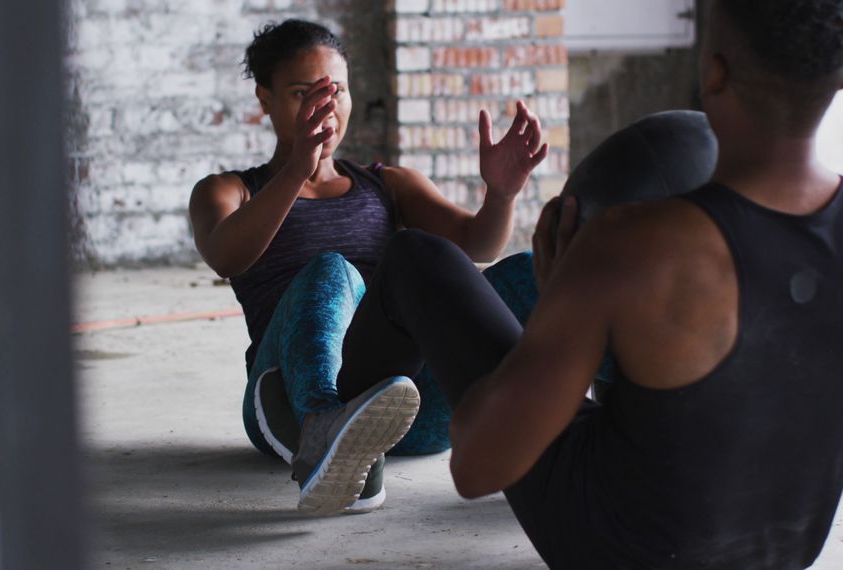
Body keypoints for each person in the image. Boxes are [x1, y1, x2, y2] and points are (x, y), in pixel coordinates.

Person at [307, 0, 843, 566]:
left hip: (620, 549)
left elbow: (476, 465)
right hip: (791, 549)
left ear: (714, 73)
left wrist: (563, 302)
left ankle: (337, 423)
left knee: (418, 255)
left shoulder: (627, 243)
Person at [188, 19, 549, 512]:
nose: (324, 107)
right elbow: (226, 256)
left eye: (335, 91)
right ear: (265, 99)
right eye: (301, 93)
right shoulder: (229, 190)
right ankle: (325, 430)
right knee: (332, 272)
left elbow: (477, 244)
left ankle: (584, 431)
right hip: (287, 400)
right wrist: (300, 166)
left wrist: (502, 193)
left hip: (405, 410)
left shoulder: (388, 185)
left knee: (531, 272)